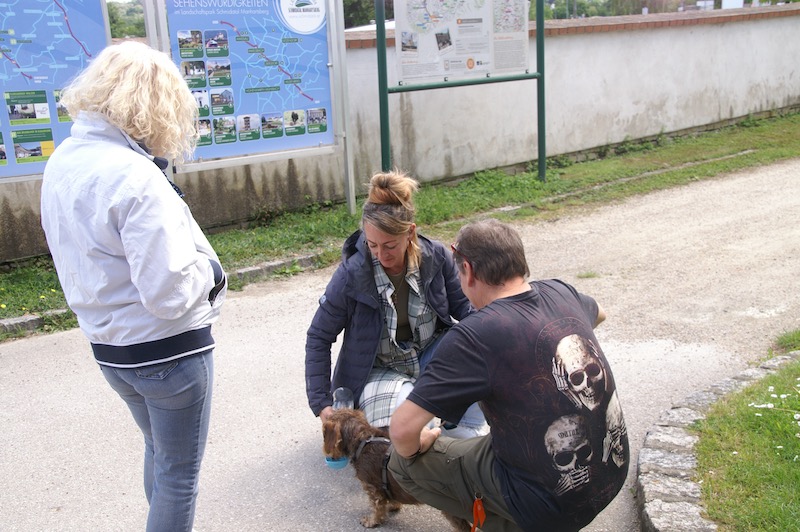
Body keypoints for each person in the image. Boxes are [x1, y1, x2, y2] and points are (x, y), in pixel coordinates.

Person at [40, 41, 226, 532]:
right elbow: (168, 294)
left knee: (162, 458)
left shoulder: (63, 161)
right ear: (158, 104)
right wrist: (210, 272)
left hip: (110, 350)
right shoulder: (135, 176)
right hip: (169, 354)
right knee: (179, 477)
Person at [388, 219, 629, 532]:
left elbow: (401, 430)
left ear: (467, 270)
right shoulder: (561, 291)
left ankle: (513, 524)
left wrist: (420, 442)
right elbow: (599, 313)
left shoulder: (474, 336)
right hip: (611, 475)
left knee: (401, 463)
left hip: (549, 506)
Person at [305, 170, 486, 435]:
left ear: (410, 232)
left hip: (429, 355)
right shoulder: (350, 275)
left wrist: (495, 343)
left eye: (389, 246)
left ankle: (461, 429)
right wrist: (322, 403)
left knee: (481, 363)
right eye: (372, 245)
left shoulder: (436, 257)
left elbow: (467, 310)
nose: (381, 255)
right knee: (411, 427)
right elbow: (319, 336)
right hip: (379, 370)